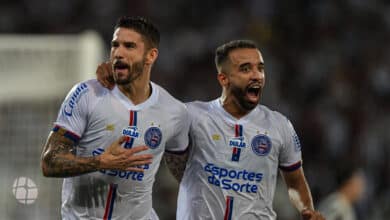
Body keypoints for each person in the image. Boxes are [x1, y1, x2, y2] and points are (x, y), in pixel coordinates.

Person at [96, 40, 323, 219]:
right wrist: (119, 80)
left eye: (260, 68)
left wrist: (306, 210)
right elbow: (145, 108)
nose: (256, 75)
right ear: (223, 78)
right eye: (245, 69)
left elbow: (295, 182)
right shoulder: (192, 116)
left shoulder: (279, 125)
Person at [41, 16, 189, 220]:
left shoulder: (174, 111)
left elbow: (185, 172)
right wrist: (99, 162)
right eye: (115, 45)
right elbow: (49, 162)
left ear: (150, 56)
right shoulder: (87, 95)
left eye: (129, 46)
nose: (118, 53)